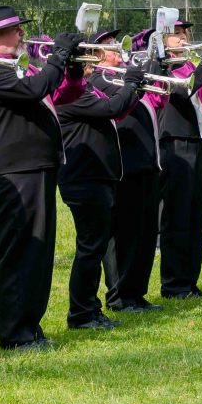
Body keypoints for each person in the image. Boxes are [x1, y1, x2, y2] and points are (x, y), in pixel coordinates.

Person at [0, 5, 82, 351]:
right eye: (15, 30)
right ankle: (15, 333)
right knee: (18, 255)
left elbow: (59, 93)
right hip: (12, 172)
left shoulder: (20, 67)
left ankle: (30, 326)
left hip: (38, 168)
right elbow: (35, 89)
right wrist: (59, 56)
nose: (22, 35)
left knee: (39, 253)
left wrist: (72, 69)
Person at [57, 28, 146, 331]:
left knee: (93, 246)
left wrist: (136, 88)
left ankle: (89, 309)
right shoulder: (72, 92)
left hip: (97, 174)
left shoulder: (83, 87)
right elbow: (111, 108)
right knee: (90, 247)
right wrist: (133, 83)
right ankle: (81, 312)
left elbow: (117, 111)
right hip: (83, 176)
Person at [157, 12, 202, 299]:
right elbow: (183, 92)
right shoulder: (161, 67)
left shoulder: (187, 65)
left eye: (185, 34)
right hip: (175, 144)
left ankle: (190, 280)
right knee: (177, 214)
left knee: (197, 213)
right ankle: (174, 283)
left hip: (198, 142)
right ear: (162, 40)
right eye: (177, 34)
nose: (184, 38)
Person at [101, 27, 165, 314]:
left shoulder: (124, 75)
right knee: (123, 233)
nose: (116, 48)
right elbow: (119, 105)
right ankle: (119, 295)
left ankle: (137, 292)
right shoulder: (96, 79)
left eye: (115, 42)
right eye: (107, 44)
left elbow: (156, 99)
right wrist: (132, 80)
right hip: (123, 164)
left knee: (145, 232)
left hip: (146, 162)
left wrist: (152, 65)